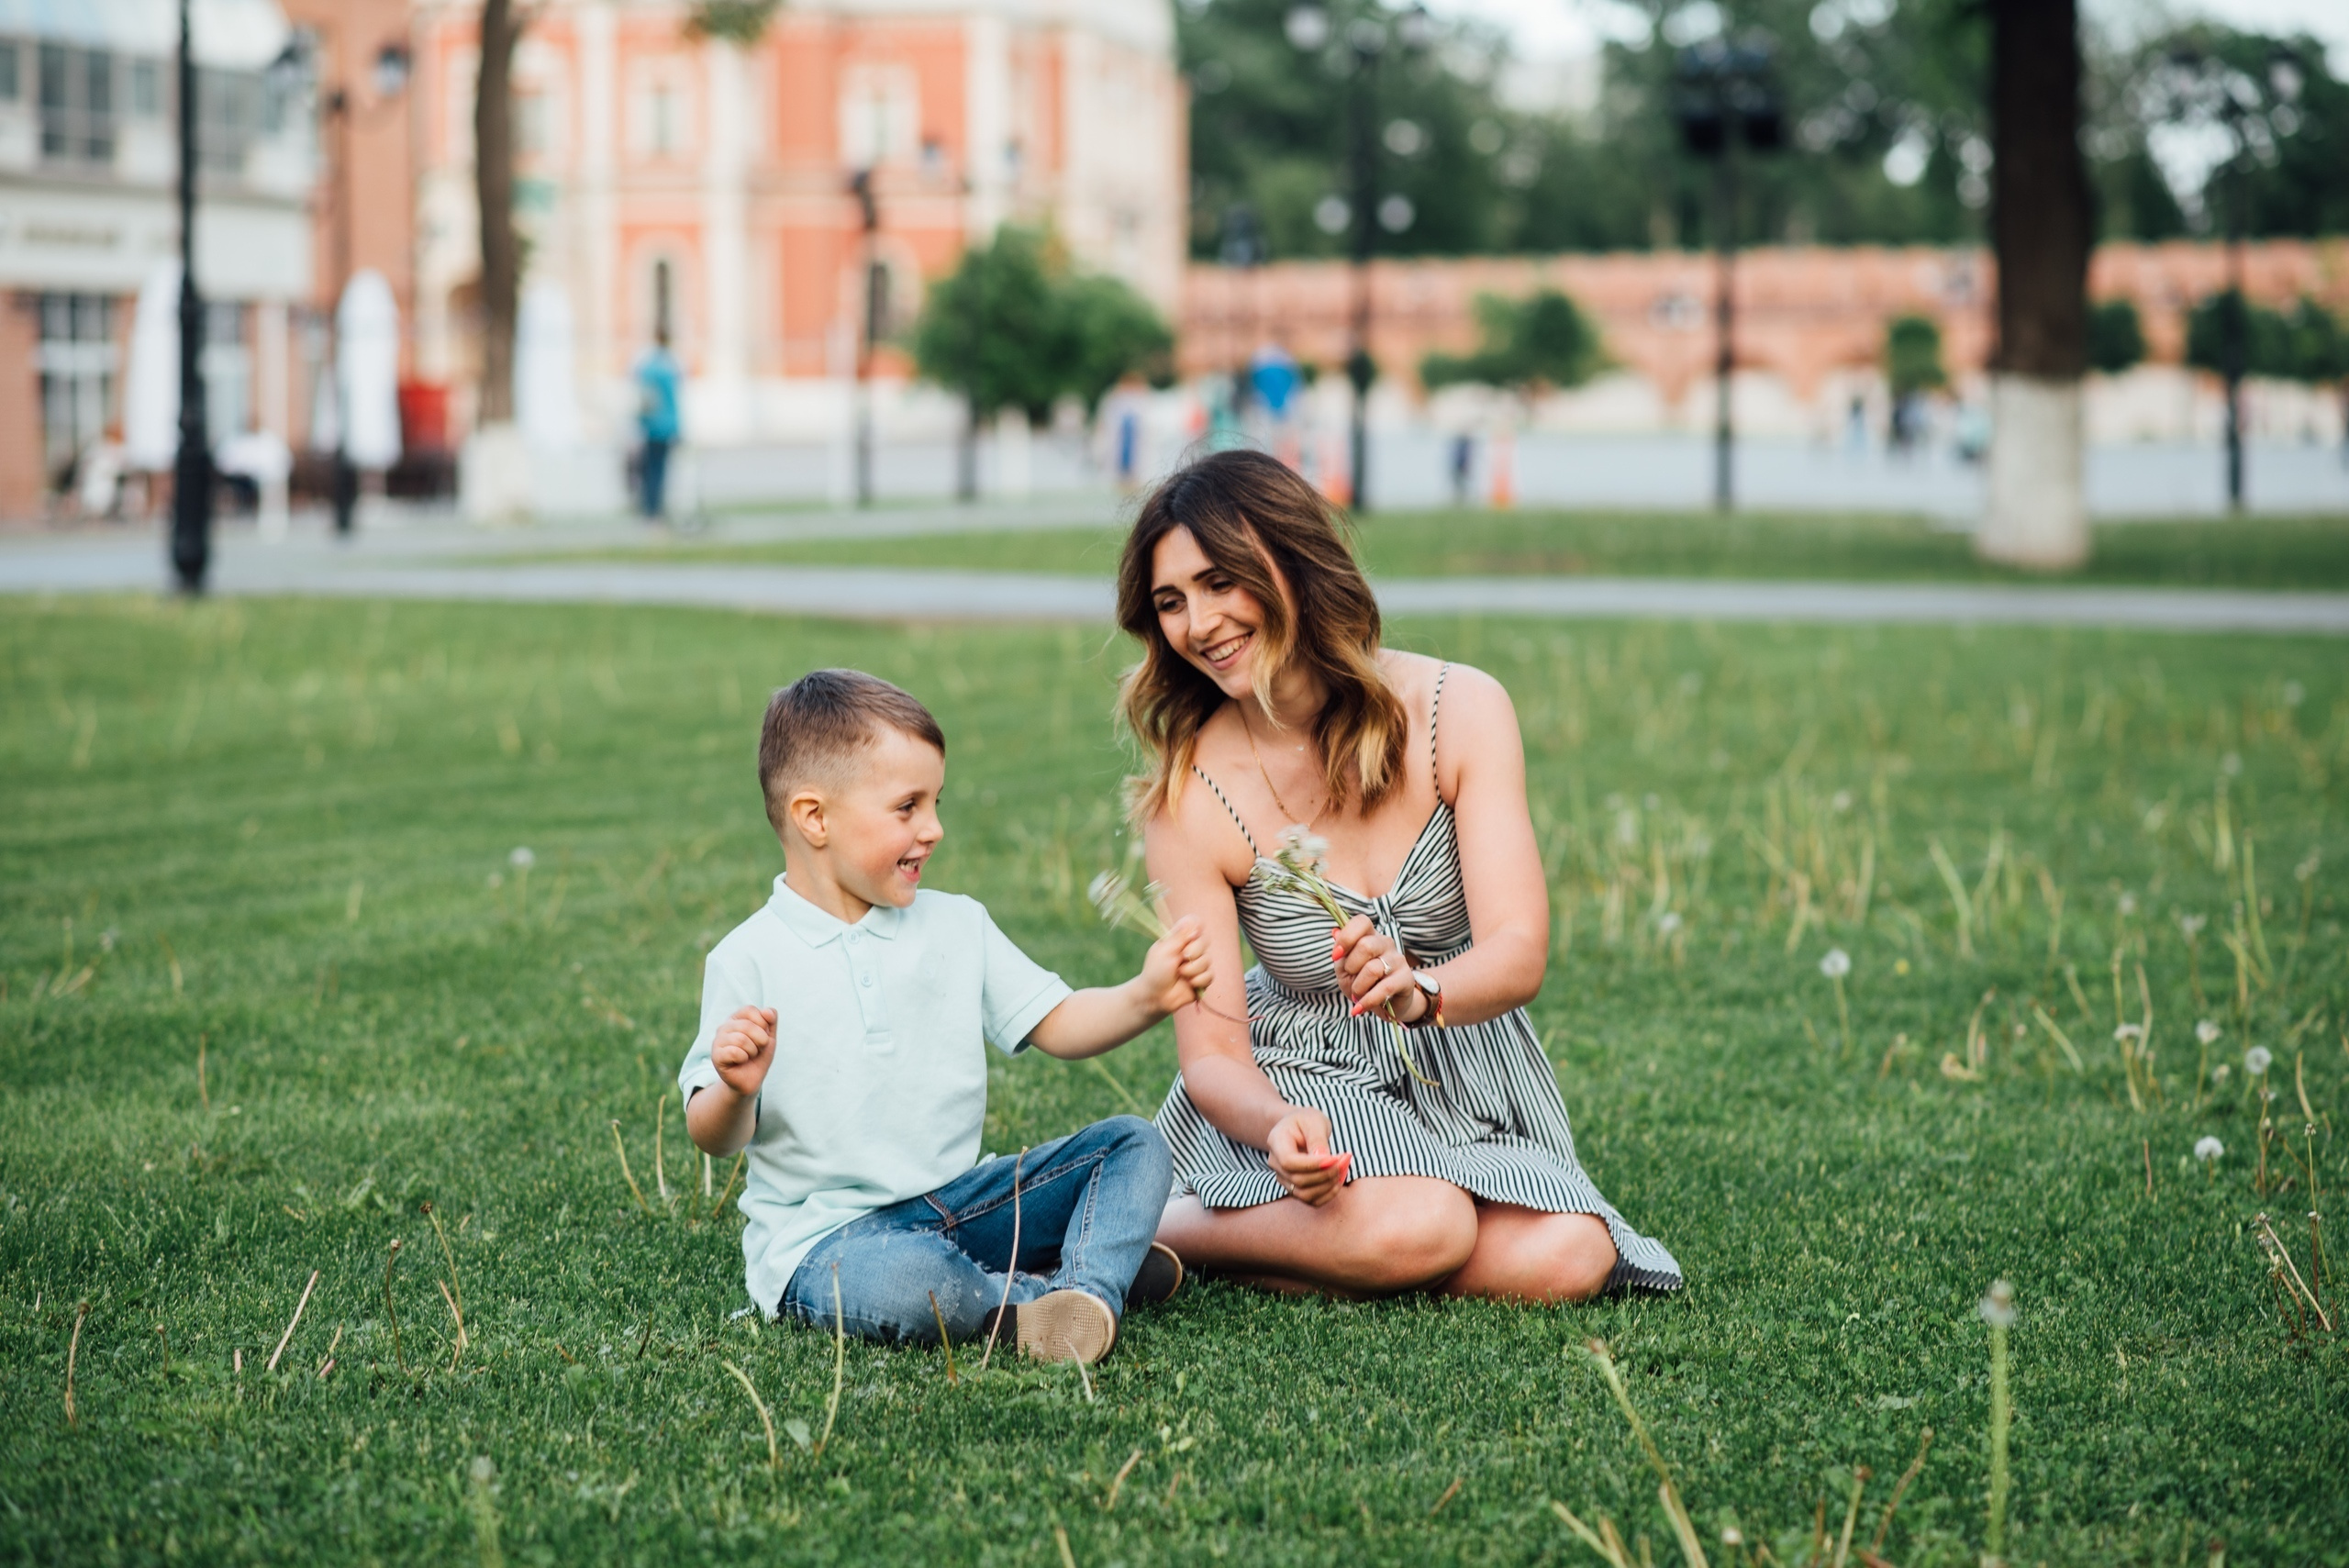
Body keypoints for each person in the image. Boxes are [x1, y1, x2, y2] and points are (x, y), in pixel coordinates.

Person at [1118, 450, 1682, 1302]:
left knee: (1570, 1255)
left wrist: (1422, 992)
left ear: (1294, 562)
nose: (1199, 623)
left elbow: (1518, 949)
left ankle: (1343, 1250)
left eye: (1220, 582)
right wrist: (1278, 1124)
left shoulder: (1461, 709)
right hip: (1303, 1079)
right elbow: (1214, 1056)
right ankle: (1156, 1225)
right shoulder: (1187, 796)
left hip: (1466, 1062)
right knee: (1427, 1222)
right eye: (1171, 602)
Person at [680, 670, 1212, 1363]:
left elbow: (1058, 1021)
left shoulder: (958, 924)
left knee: (1133, 1145)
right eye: (908, 807)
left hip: (963, 1204)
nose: (934, 829)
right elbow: (712, 1134)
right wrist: (736, 1088)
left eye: (935, 803)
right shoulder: (747, 957)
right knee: (914, 1282)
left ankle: (1078, 1290)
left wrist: (1145, 996)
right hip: (830, 1242)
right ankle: (1058, 1286)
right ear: (815, 818)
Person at [632, 329, 682, 519]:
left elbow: (643, 398)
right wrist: (678, 428)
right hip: (665, 427)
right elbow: (674, 402)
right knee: (659, 470)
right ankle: (655, 510)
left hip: (650, 426)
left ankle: (651, 509)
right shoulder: (669, 367)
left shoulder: (647, 367)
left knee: (649, 469)